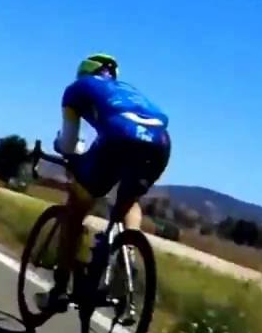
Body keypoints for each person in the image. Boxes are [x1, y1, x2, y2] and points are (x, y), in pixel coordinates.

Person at [43, 53, 171, 313]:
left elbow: (68, 143)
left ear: (83, 73)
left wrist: (64, 149)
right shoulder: (129, 91)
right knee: (128, 202)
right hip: (160, 142)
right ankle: (128, 255)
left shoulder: (77, 90)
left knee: (76, 208)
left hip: (118, 137)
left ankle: (59, 289)